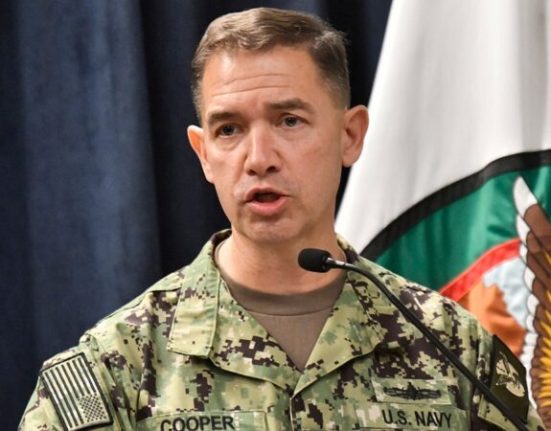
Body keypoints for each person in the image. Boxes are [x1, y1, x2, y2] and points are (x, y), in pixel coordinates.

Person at [19, 7, 544, 431]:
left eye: (289, 120)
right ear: (203, 154)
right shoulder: (118, 366)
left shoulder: (454, 349)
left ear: (350, 136)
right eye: (229, 130)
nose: (259, 158)